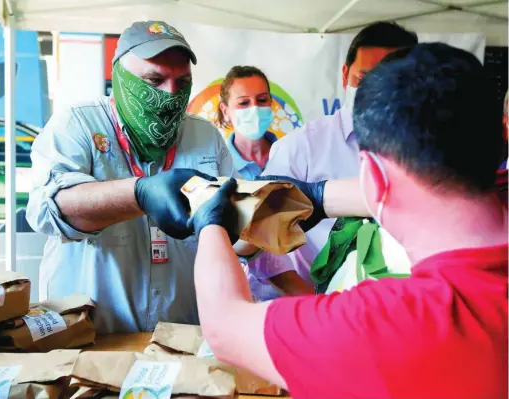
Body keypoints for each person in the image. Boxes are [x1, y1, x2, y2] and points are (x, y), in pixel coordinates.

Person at [189, 43, 507, 398]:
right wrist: (321, 197)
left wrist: (210, 221)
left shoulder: (388, 321)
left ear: (370, 173)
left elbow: (223, 327)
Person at [26, 21, 233, 333]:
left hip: (181, 336)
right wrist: (139, 194)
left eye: (182, 82)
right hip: (91, 338)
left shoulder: (204, 136)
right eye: (154, 79)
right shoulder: (78, 123)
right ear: (119, 76)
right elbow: (48, 211)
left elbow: (232, 233)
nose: (170, 94)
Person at [262, 21, 418, 287]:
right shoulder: (302, 148)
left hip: (399, 311)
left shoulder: (426, 150)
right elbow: (261, 240)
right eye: (365, 78)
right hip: (311, 309)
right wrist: (310, 306)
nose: (376, 92)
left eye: (392, 82)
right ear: (345, 75)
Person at [215, 65, 313, 299]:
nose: (255, 109)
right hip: (241, 297)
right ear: (225, 110)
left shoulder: (294, 155)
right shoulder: (219, 166)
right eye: (243, 103)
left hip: (301, 291)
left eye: (261, 100)